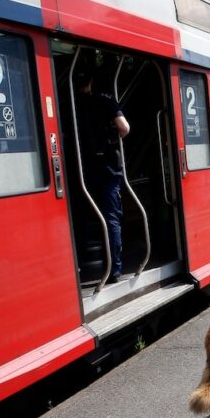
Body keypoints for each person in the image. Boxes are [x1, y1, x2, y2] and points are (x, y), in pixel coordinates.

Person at [75, 71, 131, 283]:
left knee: (81, 217)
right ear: (90, 81)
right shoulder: (105, 100)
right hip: (108, 167)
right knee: (111, 217)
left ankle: (79, 265)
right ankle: (114, 269)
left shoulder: (68, 103)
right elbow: (124, 128)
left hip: (82, 169)